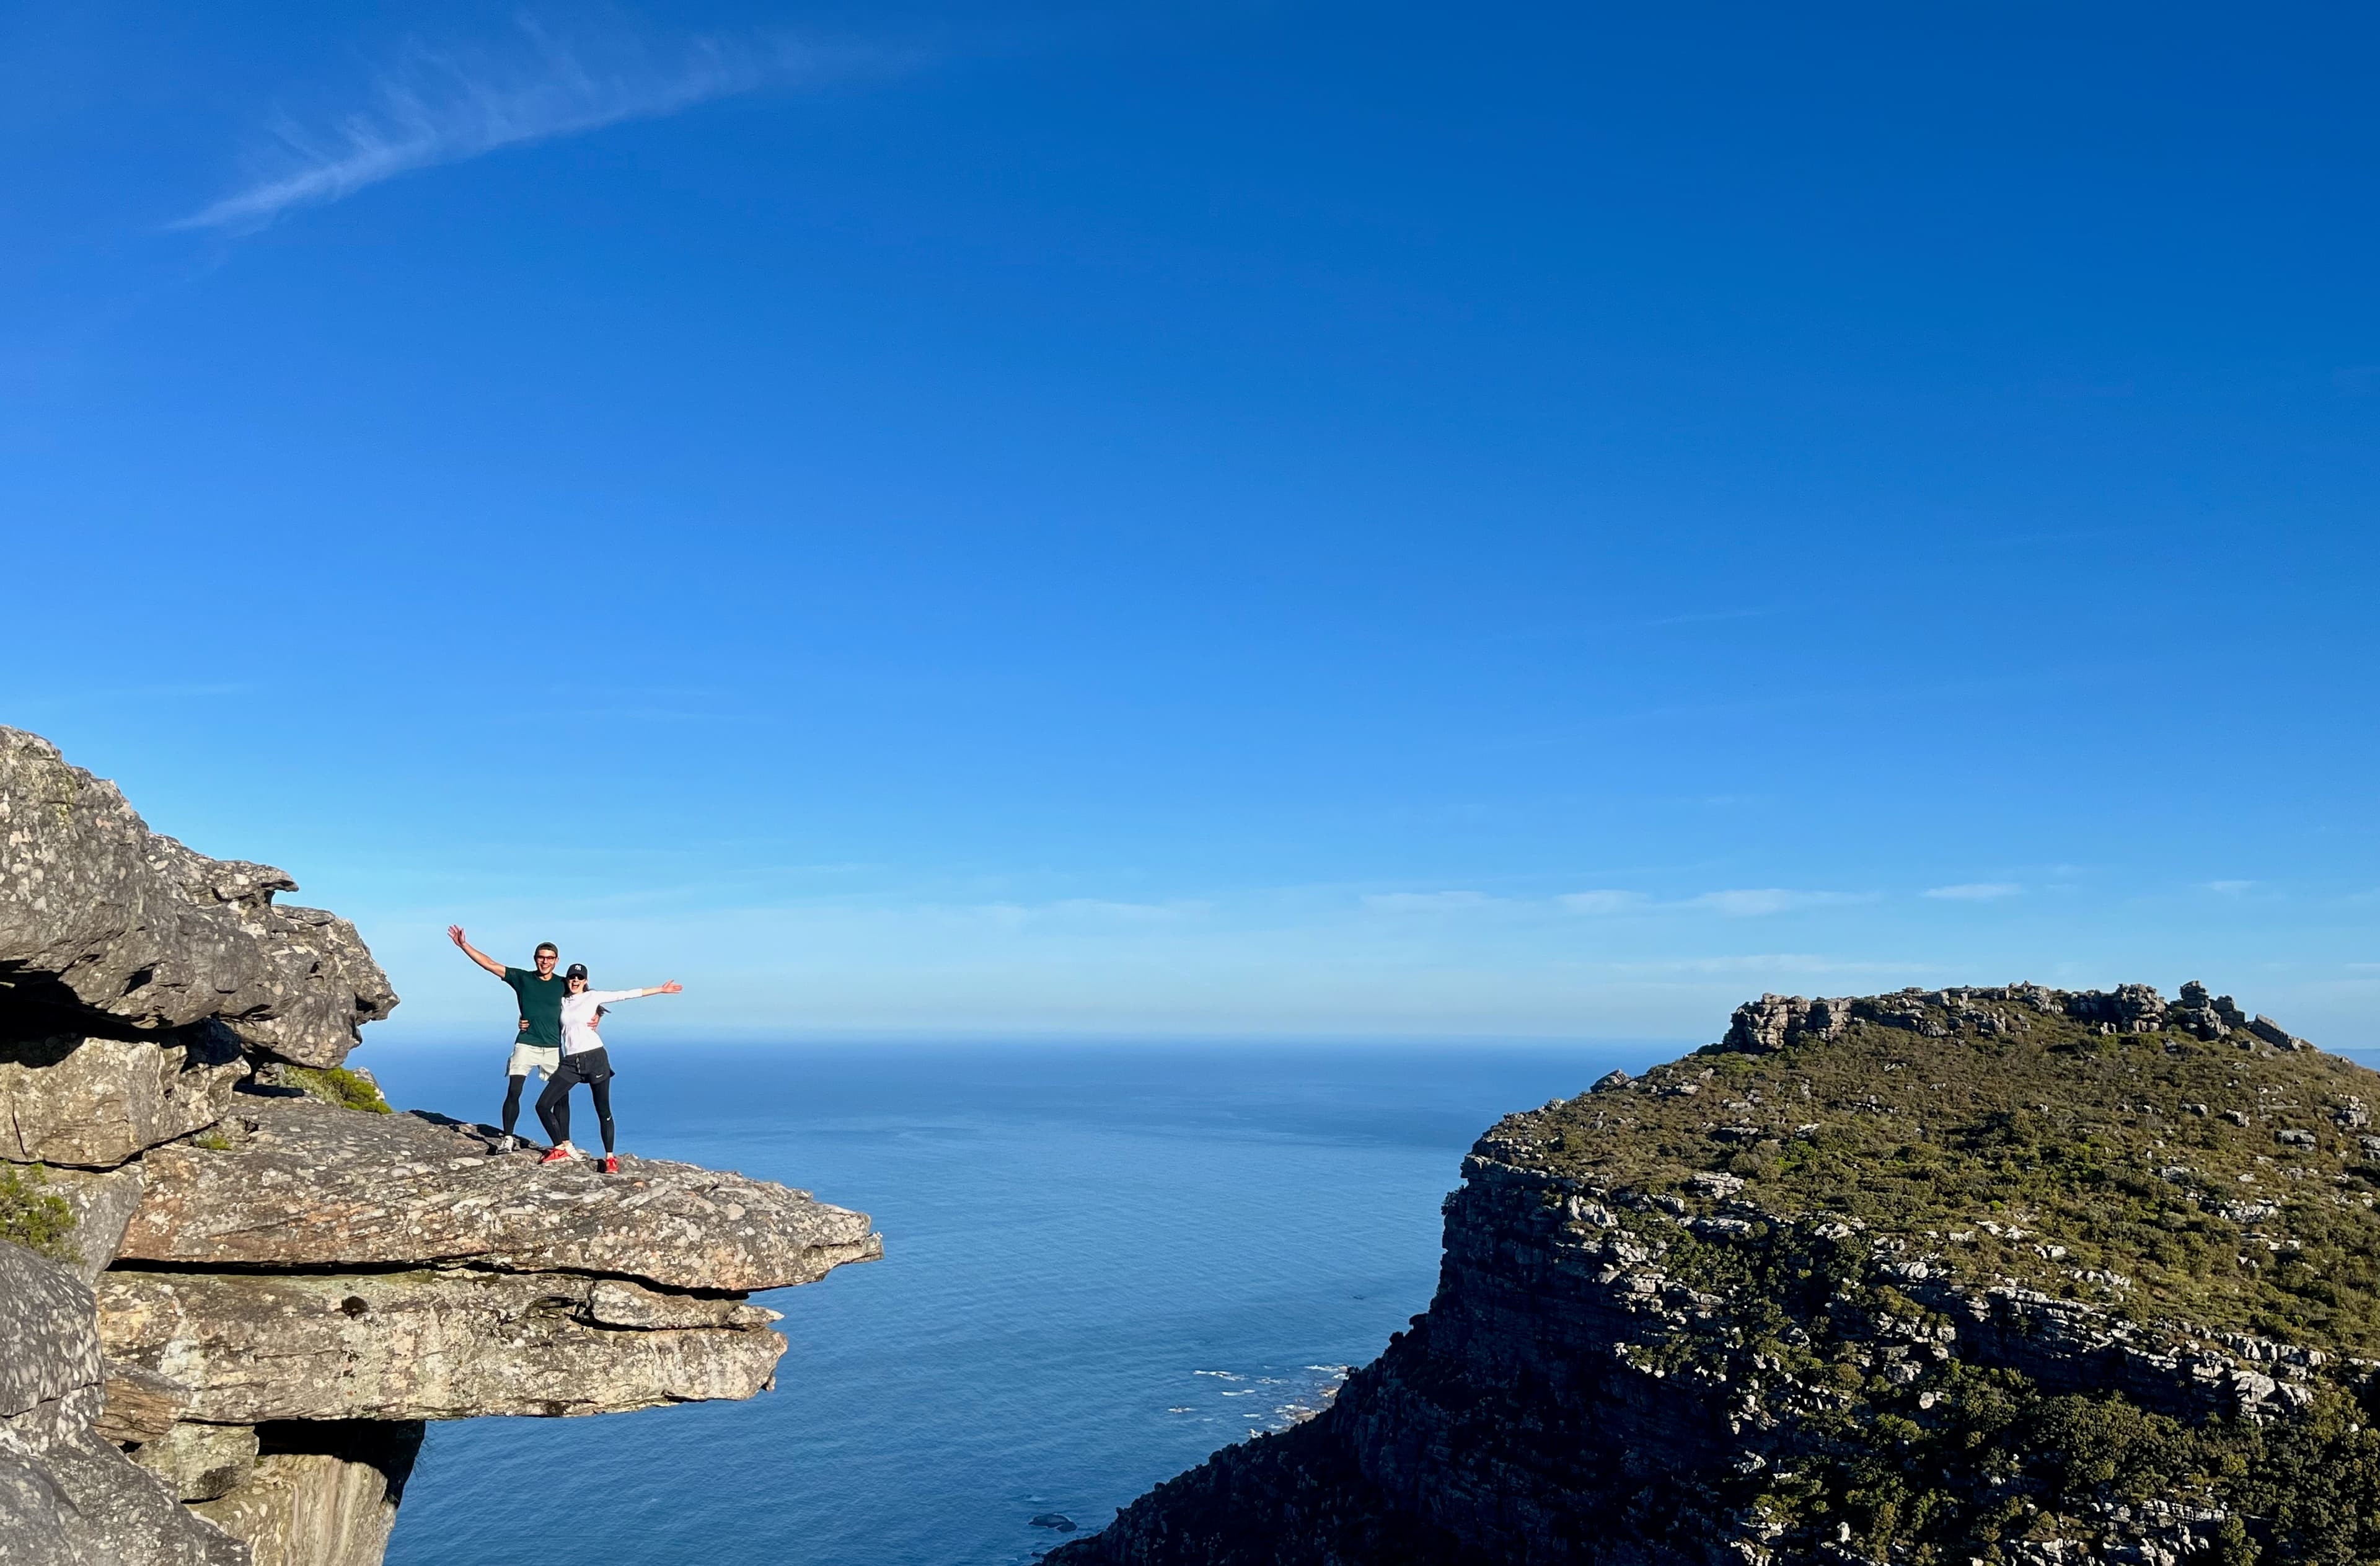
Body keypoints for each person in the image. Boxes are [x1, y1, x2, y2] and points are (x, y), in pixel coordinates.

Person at [537, 962, 683, 1172]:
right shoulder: (562, 1002)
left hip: (596, 1057)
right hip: (570, 1063)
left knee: (603, 1110)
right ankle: (560, 1148)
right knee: (542, 1105)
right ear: (567, 980)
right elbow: (541, 1011)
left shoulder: (593, 997)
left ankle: (610, 1158)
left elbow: (625, 994)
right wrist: (523, 1022)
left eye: (580, 978)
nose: (576, 981)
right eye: (572, 978)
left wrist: (660, 989)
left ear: (585, 981)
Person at [446, 926, 568, 1154]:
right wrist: (464, 946)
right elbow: (490, 964)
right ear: (535, 959)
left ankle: (563, 1144)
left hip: (552, 1047)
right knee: (514, 1091)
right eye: (541, 958)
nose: (545, 962)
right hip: (526, 1043)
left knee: (561, 1097)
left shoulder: (563, 984)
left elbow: (589, 999)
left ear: (557, 961)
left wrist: (596, 1019)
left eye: (549, 958)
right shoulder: (523, 979)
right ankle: (508, 1138)